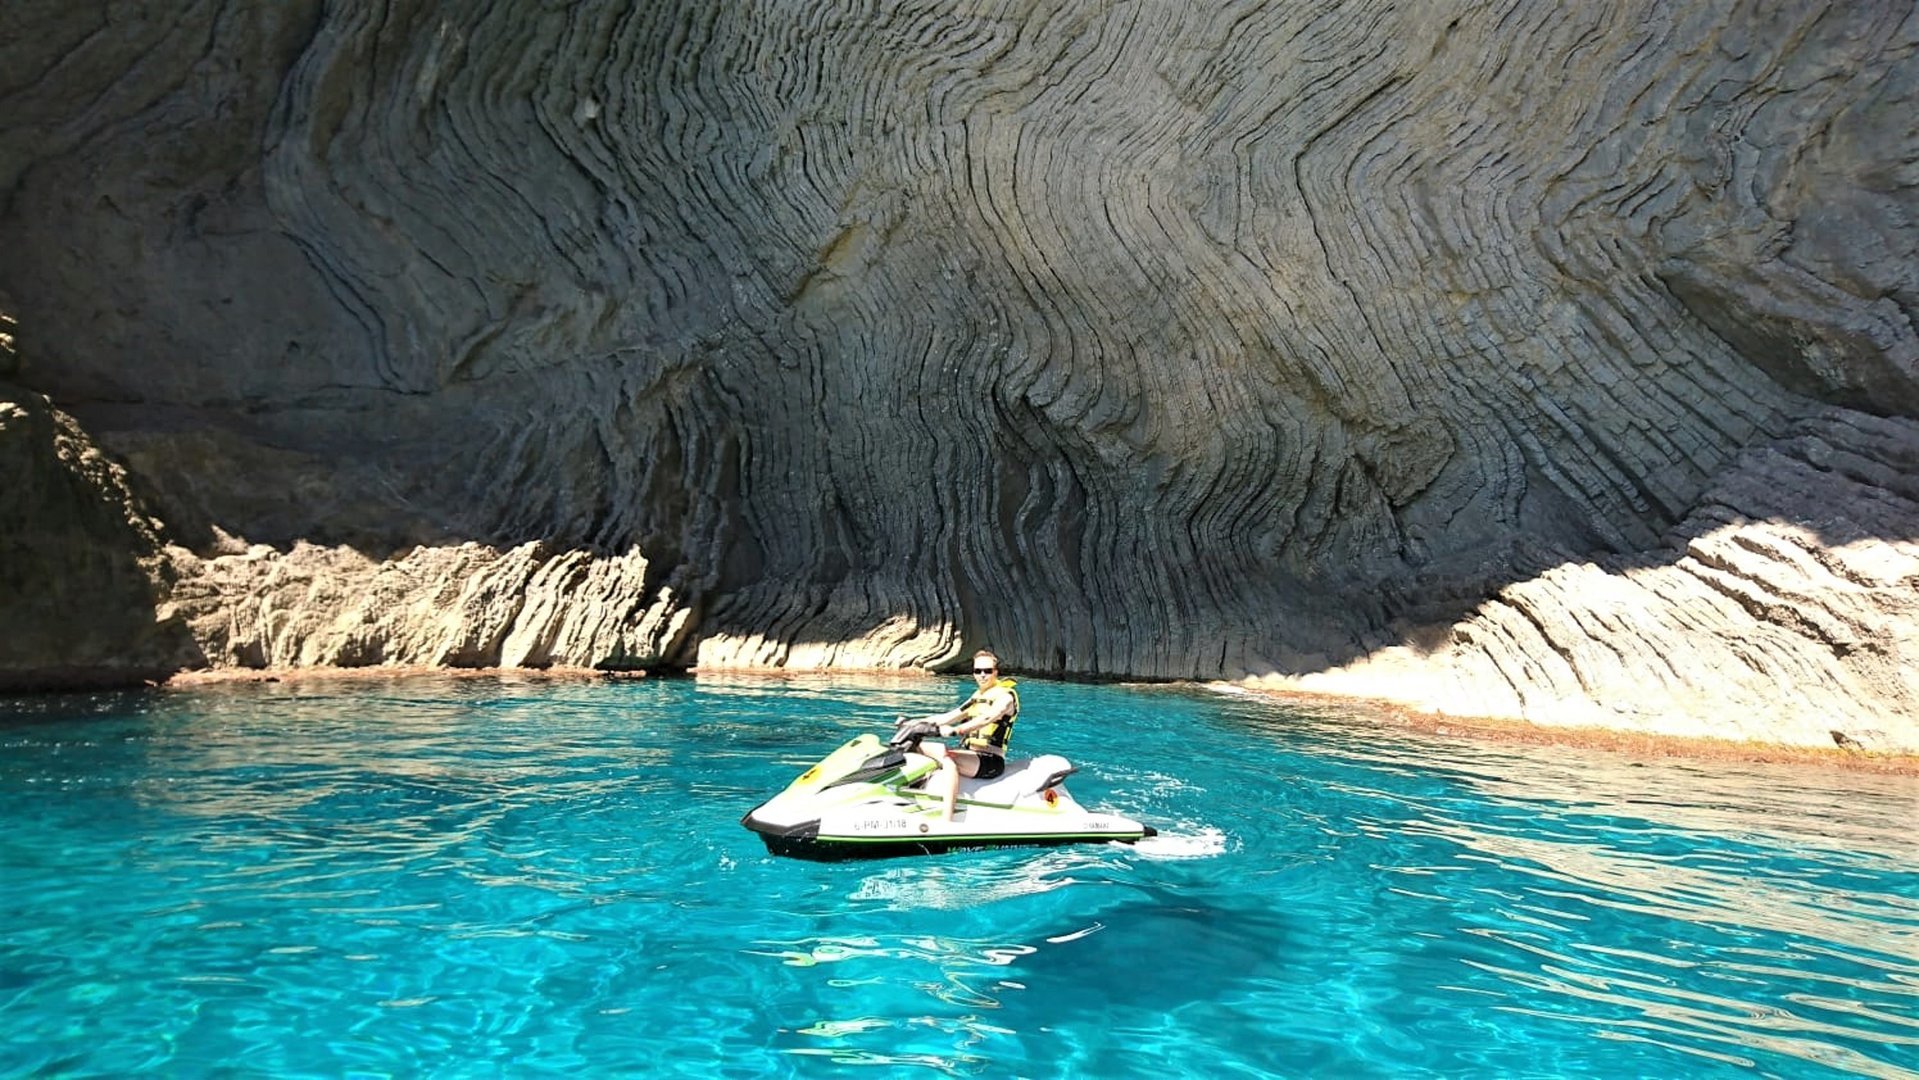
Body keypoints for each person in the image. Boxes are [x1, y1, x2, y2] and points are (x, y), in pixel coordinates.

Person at [912, 649, 1019, 821]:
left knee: (949, 759)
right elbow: (948, 716)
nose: (982, 675)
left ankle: (946, 820)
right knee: (916, 746)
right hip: (971, 755)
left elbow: (987, 718)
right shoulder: (977, 698)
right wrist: (913, 723)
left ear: (995, 672)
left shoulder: (1005, 697)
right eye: (978, 671)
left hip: (990, 760)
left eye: (987, 671)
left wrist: (957, 730)